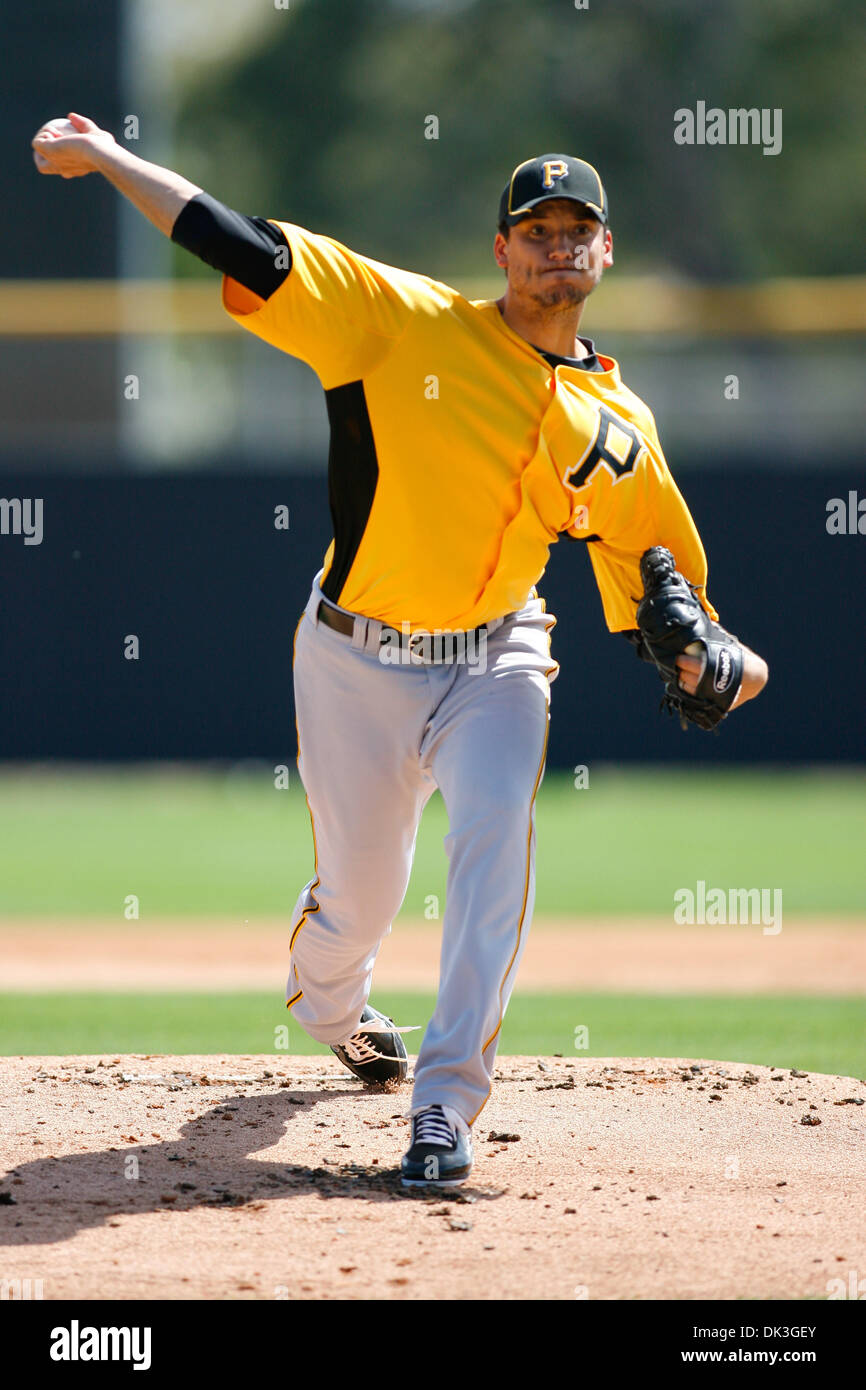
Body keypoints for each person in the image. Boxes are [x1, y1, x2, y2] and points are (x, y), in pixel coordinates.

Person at [33, 117, 768, 1188]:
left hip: (500, 657)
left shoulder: (622, 426)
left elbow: (688, 614)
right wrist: (107, 158)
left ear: (604, 252)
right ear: (500, 249)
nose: (556, 243)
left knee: (491, 852)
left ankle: (443, 1106)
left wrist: (727, 669)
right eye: (536, 226)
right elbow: (242, 245)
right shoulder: (399, 322)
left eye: (578, 228)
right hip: (354, 658)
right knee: (358, 901)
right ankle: (329, 1002)